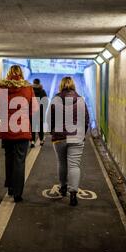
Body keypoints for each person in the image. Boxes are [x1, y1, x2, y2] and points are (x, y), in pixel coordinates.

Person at [0, 65, 38, 202]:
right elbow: (34, 109)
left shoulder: (2, 88)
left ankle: (10, 188)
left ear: (9, 74)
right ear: (21, 74)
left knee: (9, 158)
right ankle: (18, 193)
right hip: (22, 130)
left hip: (7, 129)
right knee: (19, 160)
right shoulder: (28, 88)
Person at [49, 77, 89, 206]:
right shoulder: (81, 100)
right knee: (74, 165)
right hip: (77, 137)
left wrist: (52, 132)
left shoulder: (55, 99)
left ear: (61, 86)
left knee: (62, 163)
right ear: (73, 86)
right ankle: (73, 195)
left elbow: (49, 119)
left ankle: (63, 187)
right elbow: (86, 119)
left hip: (59, 137)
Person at [31, 78, 48, 148]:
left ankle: (32, 141)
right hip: (40, 112)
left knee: (32, 127)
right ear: (39, 83)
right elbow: (45, 102)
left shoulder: (30, 91)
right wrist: (43, 110)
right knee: (40, 127)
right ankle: (41, 140)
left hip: (32, 112)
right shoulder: (42, 91)